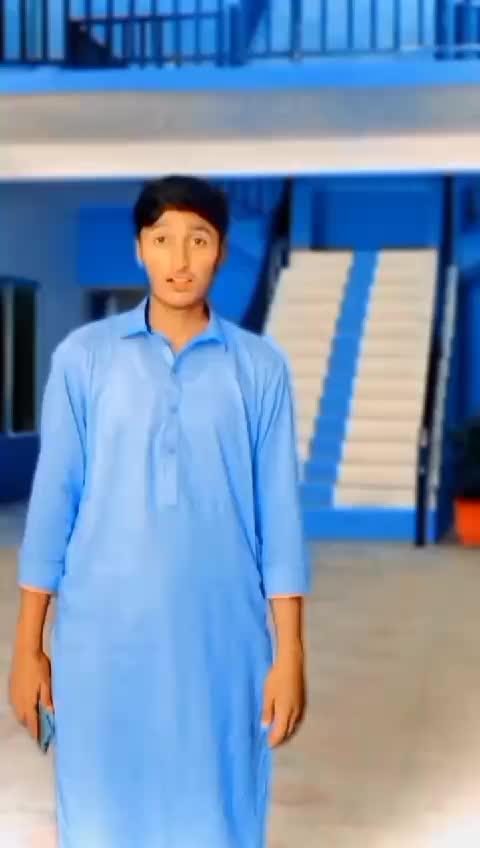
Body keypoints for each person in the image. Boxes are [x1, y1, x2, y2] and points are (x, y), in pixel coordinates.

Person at [9, 175, 311, 848]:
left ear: (221, 251)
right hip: (100, 644)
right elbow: (54, 502)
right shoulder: (84, 360)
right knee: (103, 819)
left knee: (219, 816)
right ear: (139, 248)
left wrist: (289, 651)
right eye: (163, 238)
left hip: (224, 645)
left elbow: (280, 518)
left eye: (198, 240)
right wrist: (29, 647)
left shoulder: (260, 368)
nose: (179, 259)